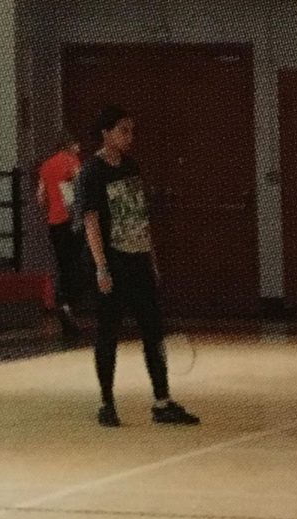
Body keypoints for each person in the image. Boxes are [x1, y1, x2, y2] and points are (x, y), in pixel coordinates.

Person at [79, 105, 200, 428]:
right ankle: (107, 403)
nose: (129, 137)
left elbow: (140, 218)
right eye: (123, 131)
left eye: (131, 131)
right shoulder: (92, 172)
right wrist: (101, 267)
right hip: (113, 263)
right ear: (106, 133)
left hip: (139, 260)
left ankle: (162, 402)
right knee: (108, 335)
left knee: (153, 333)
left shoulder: (131, 166)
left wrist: (152, 260)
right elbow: (91, 221)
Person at [37, 132, 84, 339]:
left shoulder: (46, 166)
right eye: (77, 144)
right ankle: (68, 304)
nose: (79, 148)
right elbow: (82, 185)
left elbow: (40, 197)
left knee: (62, 264)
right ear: (69, 145)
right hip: (71, 220)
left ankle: (62, 303)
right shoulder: (71, 160)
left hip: (54, 222)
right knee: (77, 265)